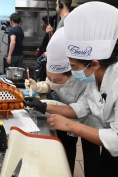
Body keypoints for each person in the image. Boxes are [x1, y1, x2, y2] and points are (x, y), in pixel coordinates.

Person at [27, 2, 118, 176]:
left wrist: (69, 125)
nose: (74, 73)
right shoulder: (95, 76)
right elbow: (83, 107)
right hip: (112, 138)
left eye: (74, 67)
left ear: (95, 63)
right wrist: (43, 106)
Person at [25, 27, 101, 176]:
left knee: (91, 156)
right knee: (67, 150)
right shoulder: (55, 74)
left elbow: (79, 109)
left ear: (72, 72)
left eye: (59, 79)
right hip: (66, 114)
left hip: (90, 118)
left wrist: (45, 106)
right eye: (51, 77)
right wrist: (38, 86)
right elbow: (51, 84)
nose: (55, 81)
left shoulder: (86, 78)